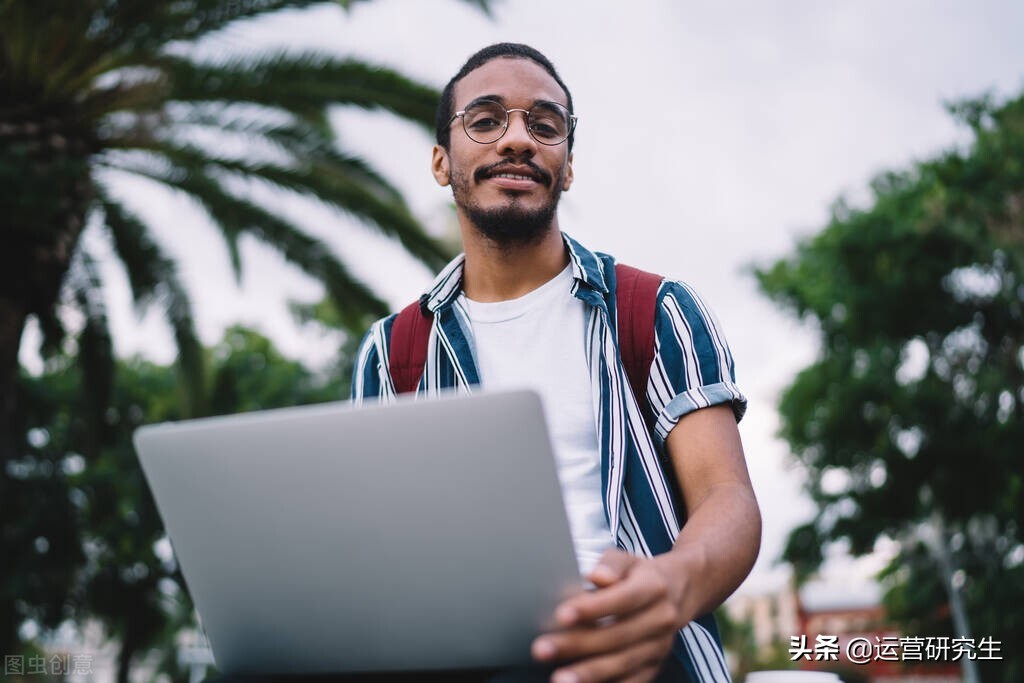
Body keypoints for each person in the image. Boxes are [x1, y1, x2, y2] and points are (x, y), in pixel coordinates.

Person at [349, 43, 761, 683]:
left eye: (545, 125)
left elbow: (726, 497)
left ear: (567, 166)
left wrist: (668, 586)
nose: (518, 139)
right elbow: (378, 546)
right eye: (485, 120)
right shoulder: (392, 353)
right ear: (441, 161)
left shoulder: (655, 311)